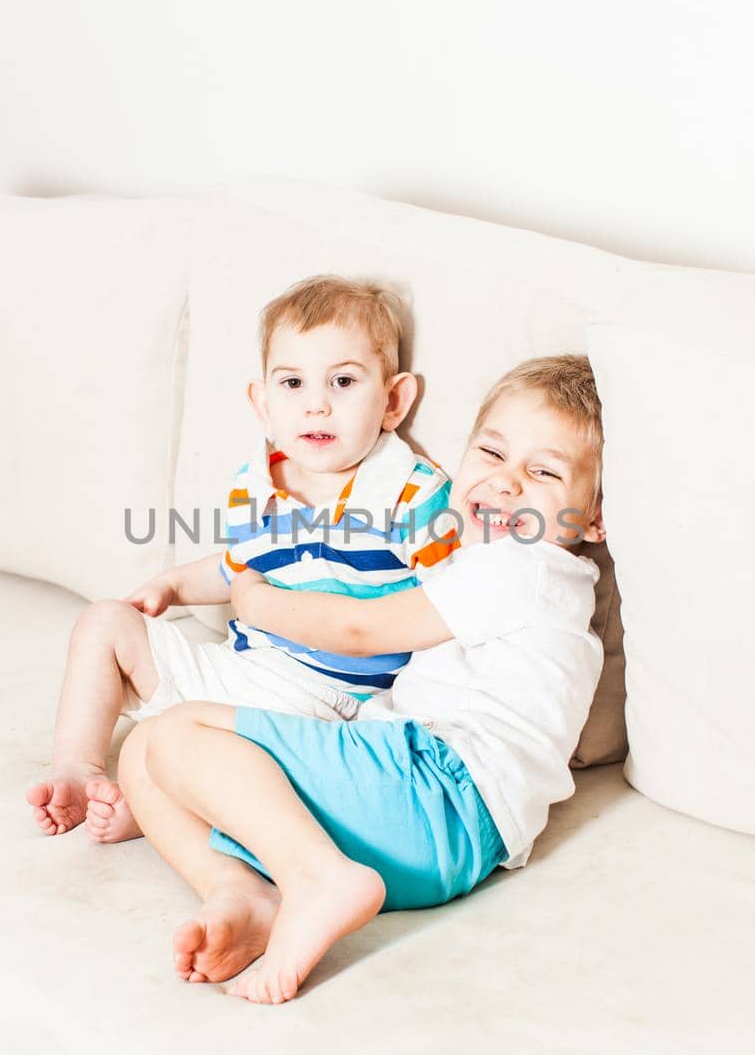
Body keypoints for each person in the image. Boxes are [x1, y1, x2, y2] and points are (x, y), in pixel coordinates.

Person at [118, 355, 607, 1004]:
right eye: (490, 452)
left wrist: (256, 602)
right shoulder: (487, 560)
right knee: (140, 754)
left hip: (441, 787)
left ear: (595, 519)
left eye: (543, 471)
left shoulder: (528, 566)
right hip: (427, 827)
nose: (506, 481)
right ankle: (246, 895)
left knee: (176, 733)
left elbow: (362, 629)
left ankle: (318, 876)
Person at [27, 275, 457, 841]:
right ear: (262, 402)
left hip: (325, 707)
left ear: (394, 400)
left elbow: (450, 602)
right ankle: (77, 769)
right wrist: (175, 586)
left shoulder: (411, 492)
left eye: (344, 381)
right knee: (104, 622)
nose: (317, 404)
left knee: (229, 758)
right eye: (293, 383)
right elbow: (243, 566)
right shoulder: (257, 483)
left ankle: (156, 801)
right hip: (243, 669)